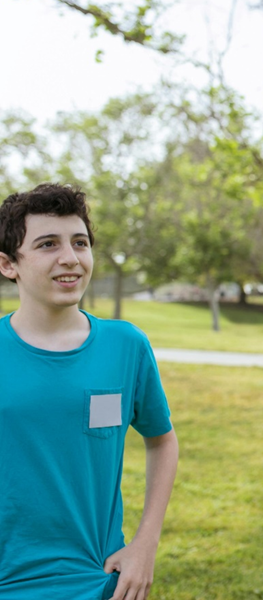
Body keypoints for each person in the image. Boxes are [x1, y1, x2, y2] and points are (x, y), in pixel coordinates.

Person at [0, 183, 178, 600]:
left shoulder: (126, 345)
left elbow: (162, 441)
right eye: (47, 244)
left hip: (99, 581)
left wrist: (144, 545)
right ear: (9, 264)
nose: (70, 258)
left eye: (80, 243)